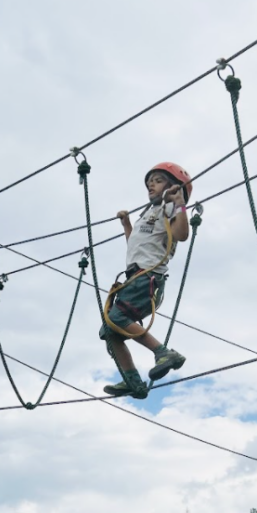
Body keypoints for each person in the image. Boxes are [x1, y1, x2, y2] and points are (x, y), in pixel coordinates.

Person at [99, 162, 191, 399]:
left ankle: (164, 353)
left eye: (158, 181)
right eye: (150, 182)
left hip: (148, 277)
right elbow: (136, 245)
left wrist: (179, 203)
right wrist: (127, 224)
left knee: (116, 318)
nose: (151, 185)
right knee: (110, 331)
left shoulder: (169, 208)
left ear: (174, 187)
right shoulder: (148, 214)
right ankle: (133, 382)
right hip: (134, 277)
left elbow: (182, 235)